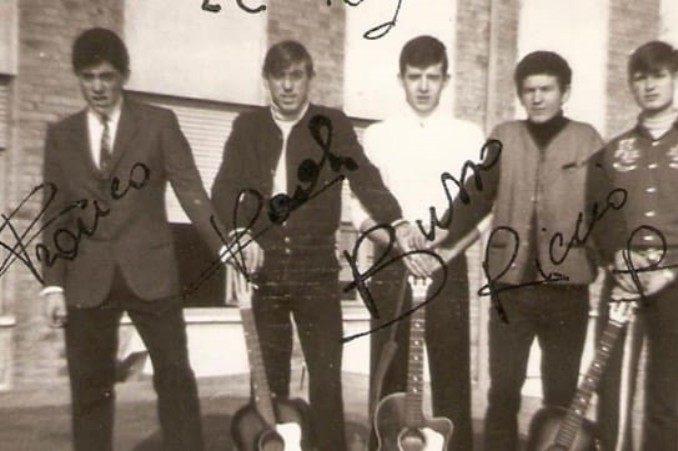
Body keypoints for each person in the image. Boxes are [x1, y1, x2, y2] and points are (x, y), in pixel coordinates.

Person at [210, 40, 423, 451]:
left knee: (326, 383)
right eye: (279, 77)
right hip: (264, 275)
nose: (287, 87)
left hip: (317, 277)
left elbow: (365, 177)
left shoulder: (332, 124)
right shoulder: (246, 127)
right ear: (266, 80)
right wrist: (239, 232)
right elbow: (223, 189)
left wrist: (395, 219)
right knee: (268, 386)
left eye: (296, 76)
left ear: (309, 79)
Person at [39, 27, 232, 451]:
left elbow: (191, 191)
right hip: (86, 279)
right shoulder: (61, 136)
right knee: (89, 390)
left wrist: (226, 248)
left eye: (106, 76)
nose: (98, 87)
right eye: (88, 77)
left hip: (151, 272)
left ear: (123, 75)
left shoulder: (158, 123)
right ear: (78, 78)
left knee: (175, 379)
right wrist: (52, 283)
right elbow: (56, 216)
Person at [440, 51, 603, 450]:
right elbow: (475, 196)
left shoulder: (588, 139)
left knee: (561, 395)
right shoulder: (505, 136)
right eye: (528, 90)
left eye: (546, 89)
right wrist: (441, 238)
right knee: (504, 388)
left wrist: (600, 259)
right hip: (511, 290)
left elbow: (604, 209)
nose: (537, 97)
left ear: (565, 91)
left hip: (567, 290)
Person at [586, 40, 678, 451]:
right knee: (611, 394)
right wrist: (619, 263)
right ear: (631, 84)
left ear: (676, 79)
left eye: (659, 75)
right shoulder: (612, 152)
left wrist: (667, 271)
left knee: (663, 401)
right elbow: (597, 220)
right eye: (641, 76)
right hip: (623, 285)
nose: (650, 85)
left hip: (677, 289)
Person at [349, 35, 485, 451]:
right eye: (414, 77)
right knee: (389, 377)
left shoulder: (468, 134)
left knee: (450, 376)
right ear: (400, 79)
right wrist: (402, 248)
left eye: (432, 77)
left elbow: (482, 211)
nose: (423, 86)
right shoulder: (377, 135)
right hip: (391, 268)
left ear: (446, 79)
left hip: (447, 266)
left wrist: (444, 254)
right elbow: (359, 213)